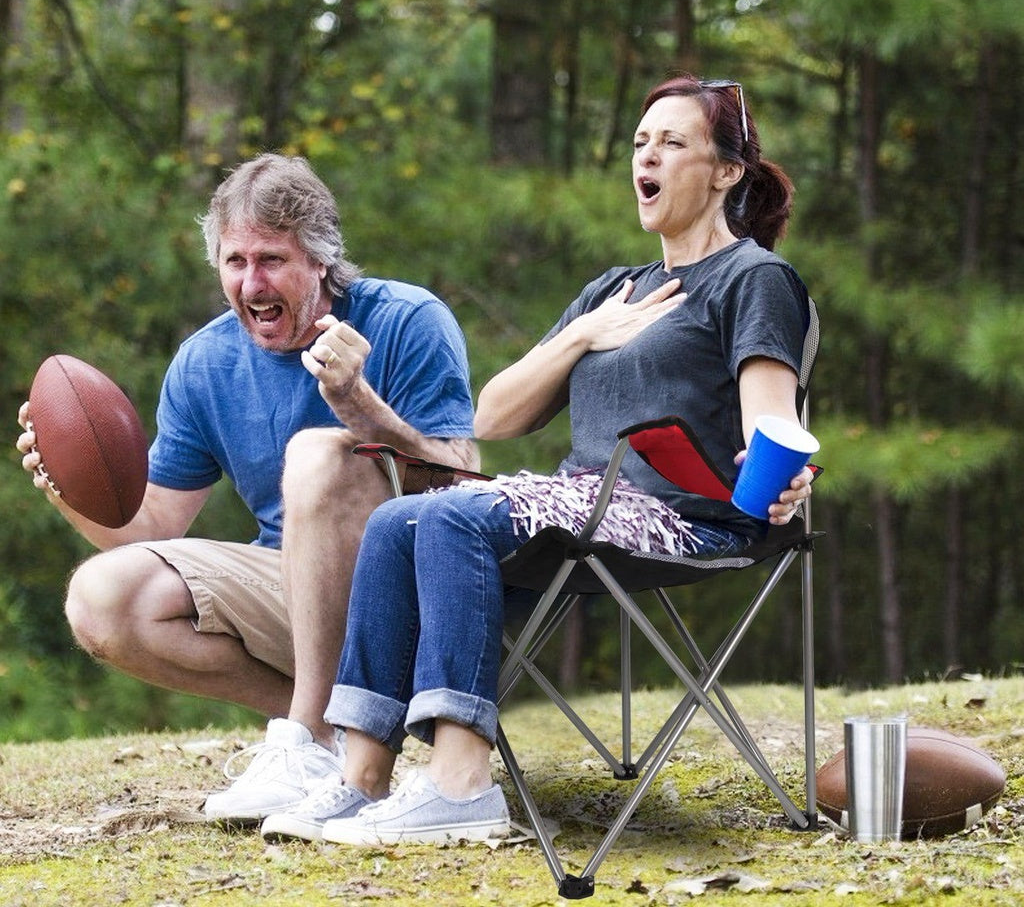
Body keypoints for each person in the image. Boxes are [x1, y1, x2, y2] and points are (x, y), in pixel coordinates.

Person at [258, 74, 816, 846]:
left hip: (686, 516)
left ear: (726, 171)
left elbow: (772, 420)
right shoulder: (612, 290)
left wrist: (779, 479)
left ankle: (459, 786)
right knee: (396, 520)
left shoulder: (754, 278)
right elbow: (495, 413)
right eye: (638, 143)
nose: (645, 158)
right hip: (582, 501)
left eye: (672, 142)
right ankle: (360, 780)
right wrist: (585, 334)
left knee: (452, 513)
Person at [15, 153, 478, 822]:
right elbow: (150, 527)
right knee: (102, 597)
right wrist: (65, 484)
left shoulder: (409, 321)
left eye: (272, 260)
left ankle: (311, 734)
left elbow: (461, 485)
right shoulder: (205, 362)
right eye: (235, 262)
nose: (251, 281)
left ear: (320, 261)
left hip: (416, 599)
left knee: (317, 453)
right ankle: (326, 731)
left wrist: (358, 406)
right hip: (296, 595)